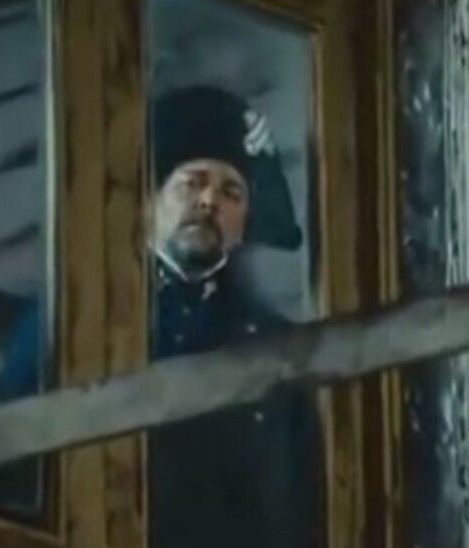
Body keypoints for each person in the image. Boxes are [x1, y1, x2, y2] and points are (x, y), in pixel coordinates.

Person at [146, 85, 321, 548]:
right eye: (192, 182)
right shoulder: (86, 323)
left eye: (231, 191)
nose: (210, 201)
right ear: (150, 202)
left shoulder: (276, 350)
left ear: (243, 225)